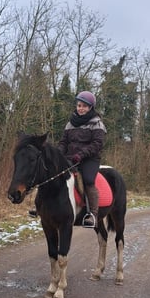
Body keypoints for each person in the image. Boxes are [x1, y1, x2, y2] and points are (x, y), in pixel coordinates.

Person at [58, 91, 106, 228]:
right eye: (79, 105)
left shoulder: (97, 123)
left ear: (91, 107)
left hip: (89, 159)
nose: (81, 108)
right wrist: (59, 153)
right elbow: (63, 142)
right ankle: (42, 207)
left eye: (84, 106)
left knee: (88, 181)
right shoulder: (70, 123)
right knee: (53, 174)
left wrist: (82, 154)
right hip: (70, 158)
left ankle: (92, 214)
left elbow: (97, 144)